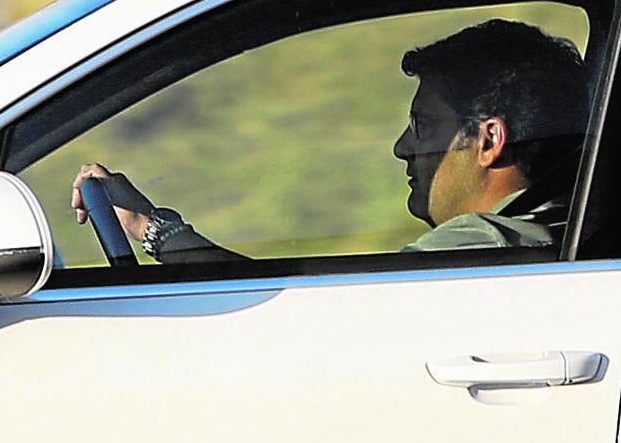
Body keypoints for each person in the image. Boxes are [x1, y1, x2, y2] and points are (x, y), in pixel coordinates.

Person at [72, 18, 589, 262]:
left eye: (423, 127)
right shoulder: (564, 221)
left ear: (488, 140)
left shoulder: (478, 248)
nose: (402, 148)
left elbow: (298, 316)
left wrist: (151, 227)